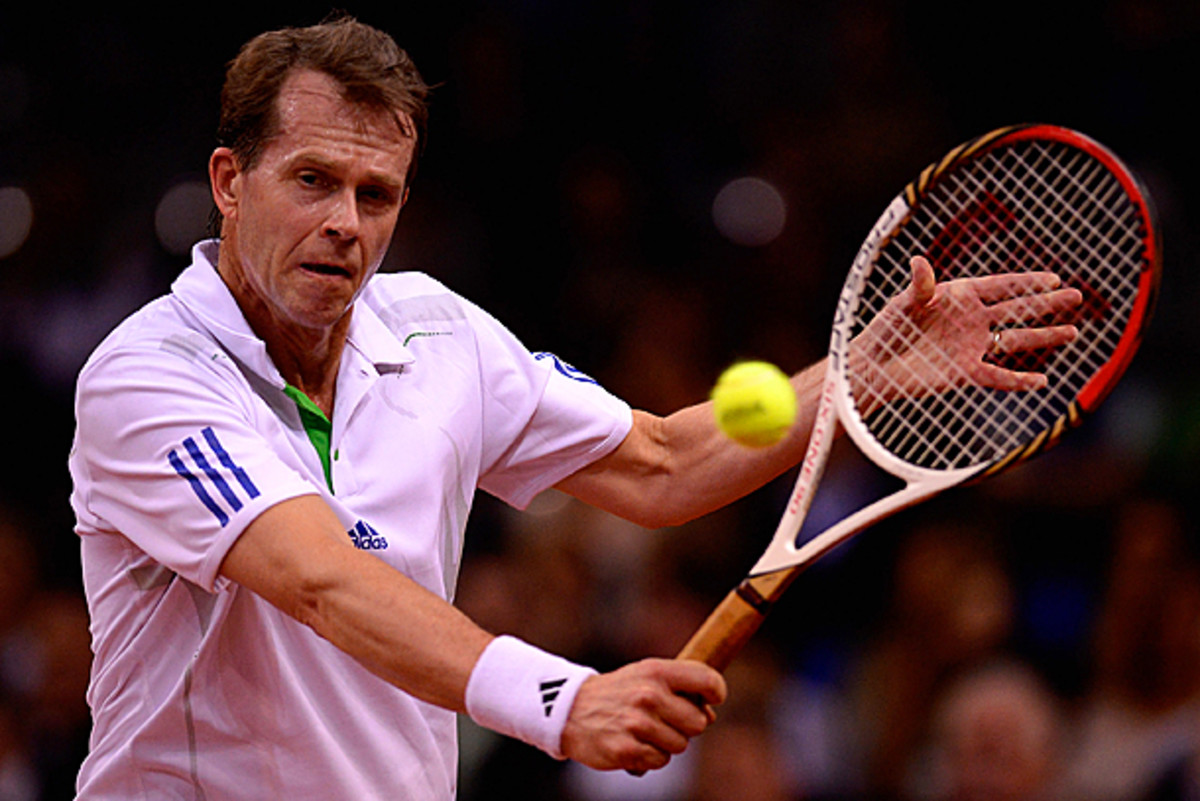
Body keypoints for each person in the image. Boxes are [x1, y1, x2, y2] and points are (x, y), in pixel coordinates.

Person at [67, 14, 1081, 801]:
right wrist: (566, 700)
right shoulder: (149, 376)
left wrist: (860, 372)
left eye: (376, 195)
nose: (344, 222)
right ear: (229, 183)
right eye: (313, 180)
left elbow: (662, 464)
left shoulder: (436, 333)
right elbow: (320, 580)